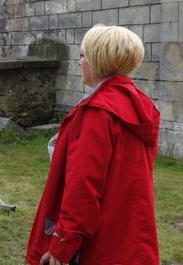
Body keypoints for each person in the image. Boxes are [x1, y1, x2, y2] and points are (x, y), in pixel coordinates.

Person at [26, 25, 160, 265]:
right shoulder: (137, 104)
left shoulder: (98, 113)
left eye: (82, 56)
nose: (79, 63)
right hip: (130, 233)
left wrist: (62, 244)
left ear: (98, 61)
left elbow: (83, 187)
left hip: (101, 241)